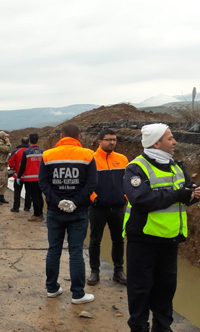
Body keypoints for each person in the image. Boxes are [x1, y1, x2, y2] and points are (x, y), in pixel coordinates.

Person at [123, 123, 200, 332]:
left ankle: (161, 326)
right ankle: (139, 329)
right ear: (156, 142)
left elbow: (183, 194)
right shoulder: (135, 168)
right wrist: (179, 193)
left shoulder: (176, 166)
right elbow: (141, 200)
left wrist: (193, 194)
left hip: (170, 237)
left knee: (167, 285)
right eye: (170, 138)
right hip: (144, 237)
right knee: (140, 287)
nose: (175, 142)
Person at [38, 123, 97, 304]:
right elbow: (91, 185)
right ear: (78, 137)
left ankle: (51, 288)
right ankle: (78, 294)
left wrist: (58, 201)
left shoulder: (47, 155)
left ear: (61, 136)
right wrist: (75, 202)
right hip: (78, 212)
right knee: (76, 252)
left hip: (55, 211)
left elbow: (43, 183)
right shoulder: (88, 155)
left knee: (53, 250)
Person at [87, 129, 129, 286]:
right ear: (100, 141)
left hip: (118, 207)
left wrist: (125, 197)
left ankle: (118, 271)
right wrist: (94, 198)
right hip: (98, 208)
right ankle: (94, 271)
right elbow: (85, 182)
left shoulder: (122, 159)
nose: (112, 142)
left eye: (114, 140)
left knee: (118, 239)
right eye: (108, 139)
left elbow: (128, 181)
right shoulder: (91, 159)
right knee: (95, 240)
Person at [16, 133, 45, 222]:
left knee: (34, 197)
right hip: (41, 178)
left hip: (30, 179)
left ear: (30, 141)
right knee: (40, 196)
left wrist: (19, 176)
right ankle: (40, 214)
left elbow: (23, 166)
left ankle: (37, 215)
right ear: (38, 140)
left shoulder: (26, 152)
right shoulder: (43, 152)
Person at [8, 137, 30, 212]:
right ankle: (27, 207)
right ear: (28, 142)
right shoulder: (30, 151)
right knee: (28, 192)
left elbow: (10, 161)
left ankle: (16, 207)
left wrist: (14, 169)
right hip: (29, 176)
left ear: (21, 142)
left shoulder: (16, 151)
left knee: (17, 192)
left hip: (18, 175)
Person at [0, 131, 12, 205]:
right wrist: (8, 143)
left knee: (4, 181)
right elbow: (8, 149)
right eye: (5, 137)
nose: (7, 138)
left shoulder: (2, 143)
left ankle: (1, 196)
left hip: (4, 164)